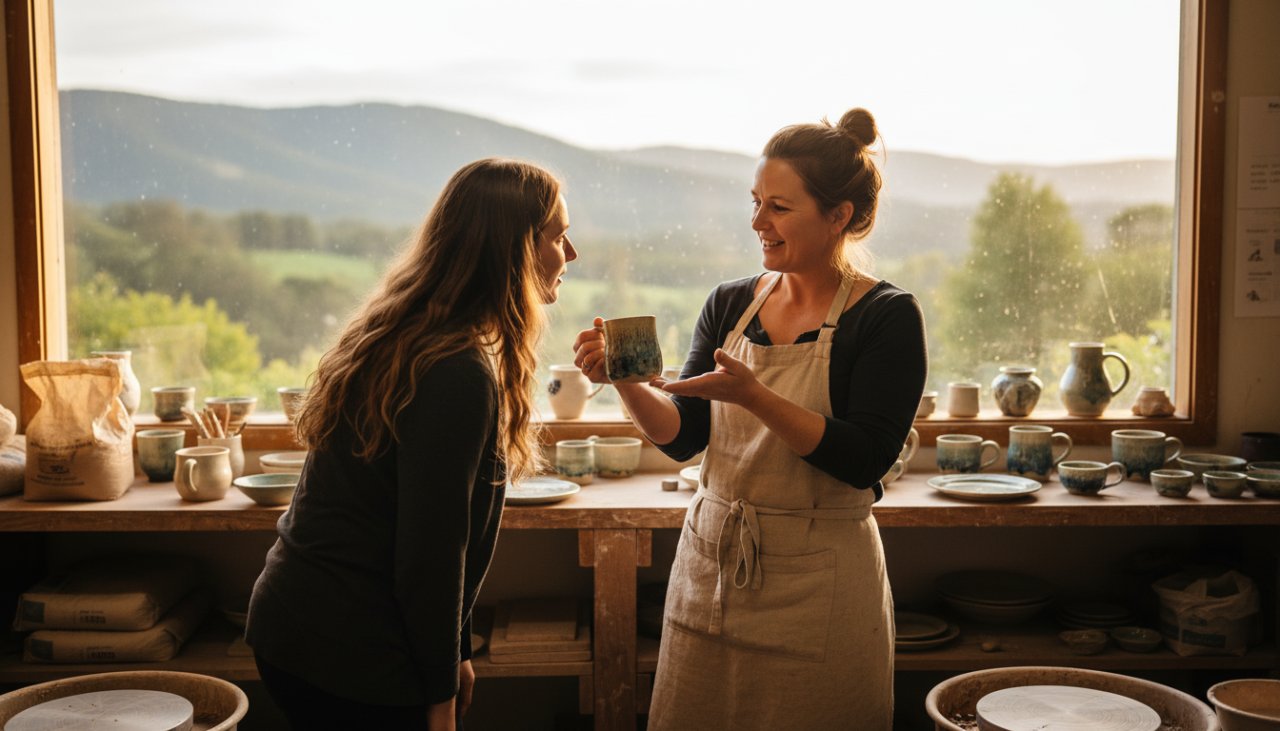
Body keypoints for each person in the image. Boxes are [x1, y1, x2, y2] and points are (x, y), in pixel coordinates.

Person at [573, 108, 926, 729]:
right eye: (756, 201)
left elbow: (864, 459)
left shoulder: (887, 316)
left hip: (822, 588)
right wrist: (625, 382)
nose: (758, 221)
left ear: (838, 216)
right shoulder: (732, 302)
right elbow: (683, 436)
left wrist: (755, 396)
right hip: (711, 572)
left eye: (780, 207)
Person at [247, 158, 577, 730]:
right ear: (513, 250)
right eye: (557, 237)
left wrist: (455, 653)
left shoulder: (413, 336)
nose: (569, 256)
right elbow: (431, 554)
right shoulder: (454, 371)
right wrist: (441, 698)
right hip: (349, 648)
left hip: (299, 628)